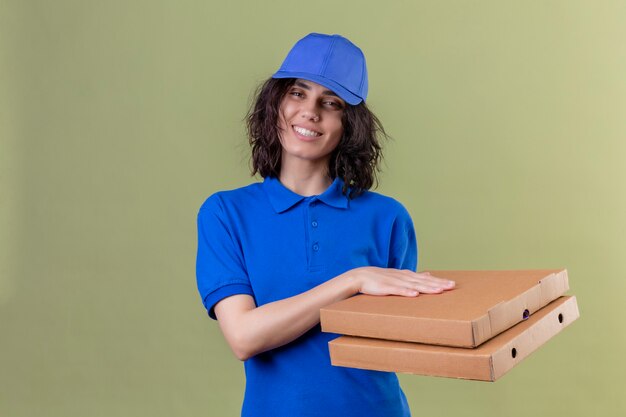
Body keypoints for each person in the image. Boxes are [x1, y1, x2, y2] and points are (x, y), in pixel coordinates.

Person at [196, 33, 455, 417]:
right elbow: (244, 337)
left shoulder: (387, 218)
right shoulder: (226, 213)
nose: (311, 112)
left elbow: (392, 340)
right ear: (276, 103)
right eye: (298, 94)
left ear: (349, 124)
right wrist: (353, 281)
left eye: (330, 103)